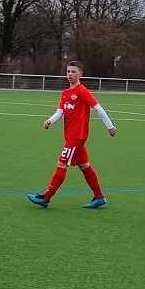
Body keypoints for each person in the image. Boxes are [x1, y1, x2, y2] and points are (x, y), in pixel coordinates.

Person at [27, 60, 116, 208]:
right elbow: (60, 112)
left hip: (77, 136)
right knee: (84, 165)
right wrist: (50, 120)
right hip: (70, 135)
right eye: (68, 71)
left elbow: (98, 108)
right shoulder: (65, 93)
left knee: (61, 164)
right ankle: (99, 197)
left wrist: (110, 127)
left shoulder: (82, 91)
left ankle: (46, 198)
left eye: (73, 72)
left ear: (80, 74)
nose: (70, 74)